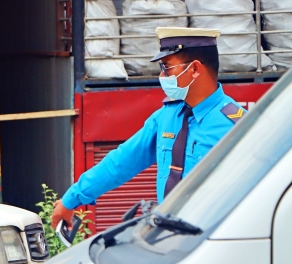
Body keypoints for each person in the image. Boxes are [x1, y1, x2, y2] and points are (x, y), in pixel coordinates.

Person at [52, 27, 244, 231]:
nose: (162, 75)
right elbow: (121, 161)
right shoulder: (167, 116)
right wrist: (71, 199)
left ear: (195, 69)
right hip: (166, 238)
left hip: (210, 242)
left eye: (167, 67)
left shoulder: (236, 127)